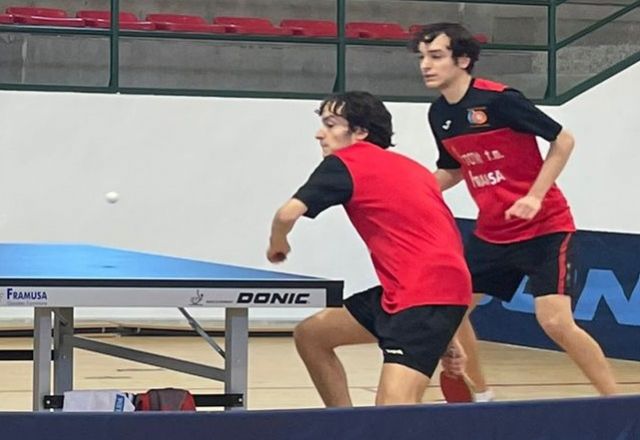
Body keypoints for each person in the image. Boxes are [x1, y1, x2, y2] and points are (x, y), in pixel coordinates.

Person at [410, 22, 618, 400]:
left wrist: (535, 195)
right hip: (491, 234)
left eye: (436, 56)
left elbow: (563, 140)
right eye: (422, 57)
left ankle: (617, 403)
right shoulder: (438, 114)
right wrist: (411, 192)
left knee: (555, 321)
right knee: (449, 311)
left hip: (545, 228)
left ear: (463, 60)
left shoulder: (500, 101)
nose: (426, 65)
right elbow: (453, 169)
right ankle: (482, 396)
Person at [266, 91, 472, 406]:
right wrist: (448, 334)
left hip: (420, 298)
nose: (320, 134)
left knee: (390, 414)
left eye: (331, 125)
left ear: (360, 132)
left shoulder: (345, 162)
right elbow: (442, 246)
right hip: (418, 293)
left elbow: (286, 214)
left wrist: (277, 244)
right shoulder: (414, 170)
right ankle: (345, 423)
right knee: (312, 335)